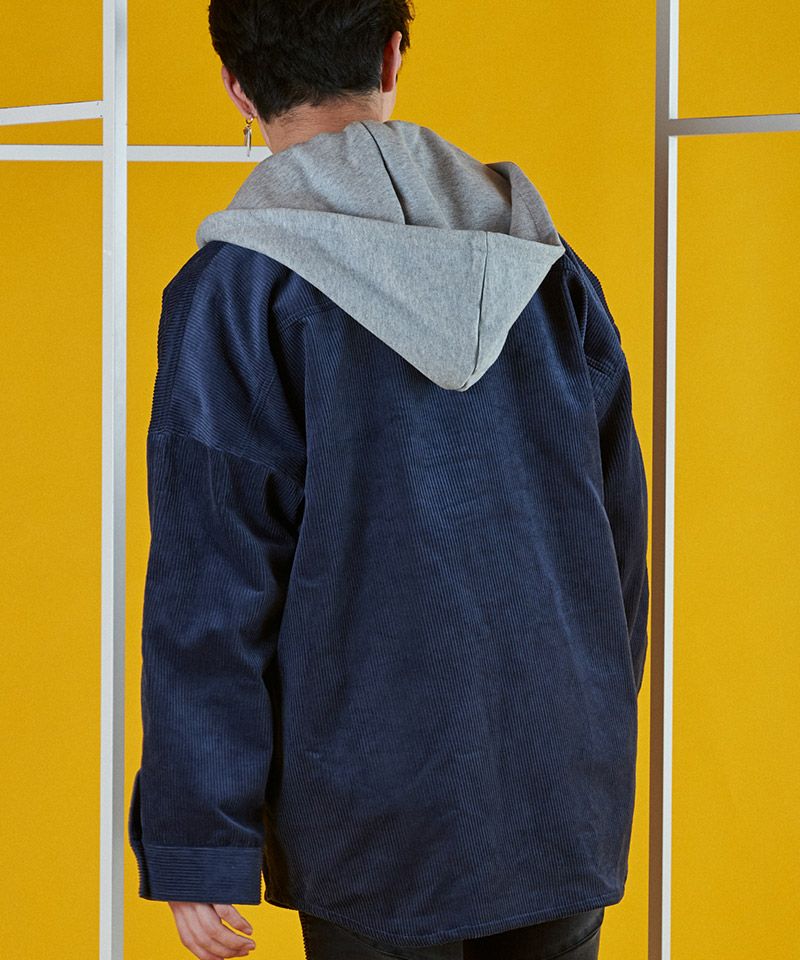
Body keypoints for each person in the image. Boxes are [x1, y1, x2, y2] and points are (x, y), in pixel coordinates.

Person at [127, 2, 650, 958]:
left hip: (370, 814)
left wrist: (201, 840)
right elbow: (617, 535)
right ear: (392, 53)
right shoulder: (547, 266)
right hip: (558, 791)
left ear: (237, 88)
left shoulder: (239, 292)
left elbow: (213, 586)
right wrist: (590, 740)